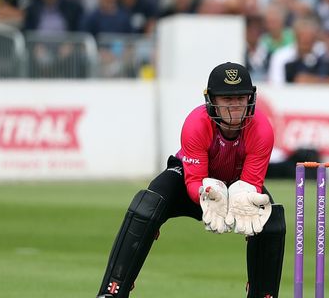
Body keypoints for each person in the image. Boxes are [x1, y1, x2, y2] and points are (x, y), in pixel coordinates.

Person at [96, 62, 285, 298]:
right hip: (193, 181)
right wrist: (206, 193)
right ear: (211, 100)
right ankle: (111, 292)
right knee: (147, 203)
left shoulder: (262, 129)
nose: (234, 107)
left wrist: (243, 197)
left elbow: (251, 184)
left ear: (250, 98)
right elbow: (193, 181)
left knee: (270, 218)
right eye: (227, 99)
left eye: (240, 98)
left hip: (238, 184)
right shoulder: (196, 123)